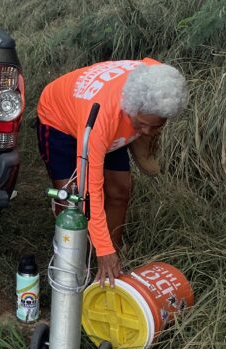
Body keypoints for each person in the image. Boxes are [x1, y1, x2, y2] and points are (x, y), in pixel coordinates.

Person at [36, 59, 189, 287]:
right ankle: (74, 265)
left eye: (156, 126)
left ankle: (110, 266)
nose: (147, 131)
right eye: (142, 124)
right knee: (69, 197)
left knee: (120, 190)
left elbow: (147, 63)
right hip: (60, 118)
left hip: (113, 120)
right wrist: (102, 248)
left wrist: (108, 251)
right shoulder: (103, 118)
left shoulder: (157, 81)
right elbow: (90, 190)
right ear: (130, 108)